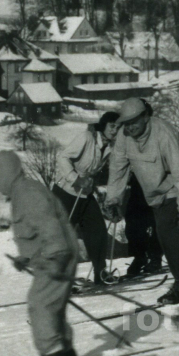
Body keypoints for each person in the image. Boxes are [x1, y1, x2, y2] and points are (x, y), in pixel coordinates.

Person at [101, 97, 179, 305]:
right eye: (126, 123)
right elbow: (117, 169)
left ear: (146, 117)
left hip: (178, 186)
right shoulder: (124, 136)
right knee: (178, 237)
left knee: (167, 236)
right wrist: (112, 200)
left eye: (134, 122)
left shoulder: (164, 134)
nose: (130, 127)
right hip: (155, 192)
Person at [0, 150, 83, 356]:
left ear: (6, 174)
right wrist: (24, 257)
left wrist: (57, 256)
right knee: (52, 306)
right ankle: (64, 350)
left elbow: (48, 226)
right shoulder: (21, 193)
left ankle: (54, 352)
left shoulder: (27, 193)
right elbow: (32, 232)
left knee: (40, 303)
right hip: (52, 255)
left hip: (57, 255)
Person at [54, 113, 118, 285]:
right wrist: (75, 178)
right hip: (65, 192)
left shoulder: (111, 146)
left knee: (97, 231)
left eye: (118, 127)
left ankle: (100, 273)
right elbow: (62, 157)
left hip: (85, 193)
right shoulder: (86, 137)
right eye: (112, 126)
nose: (115, 130)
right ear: (103, 126)